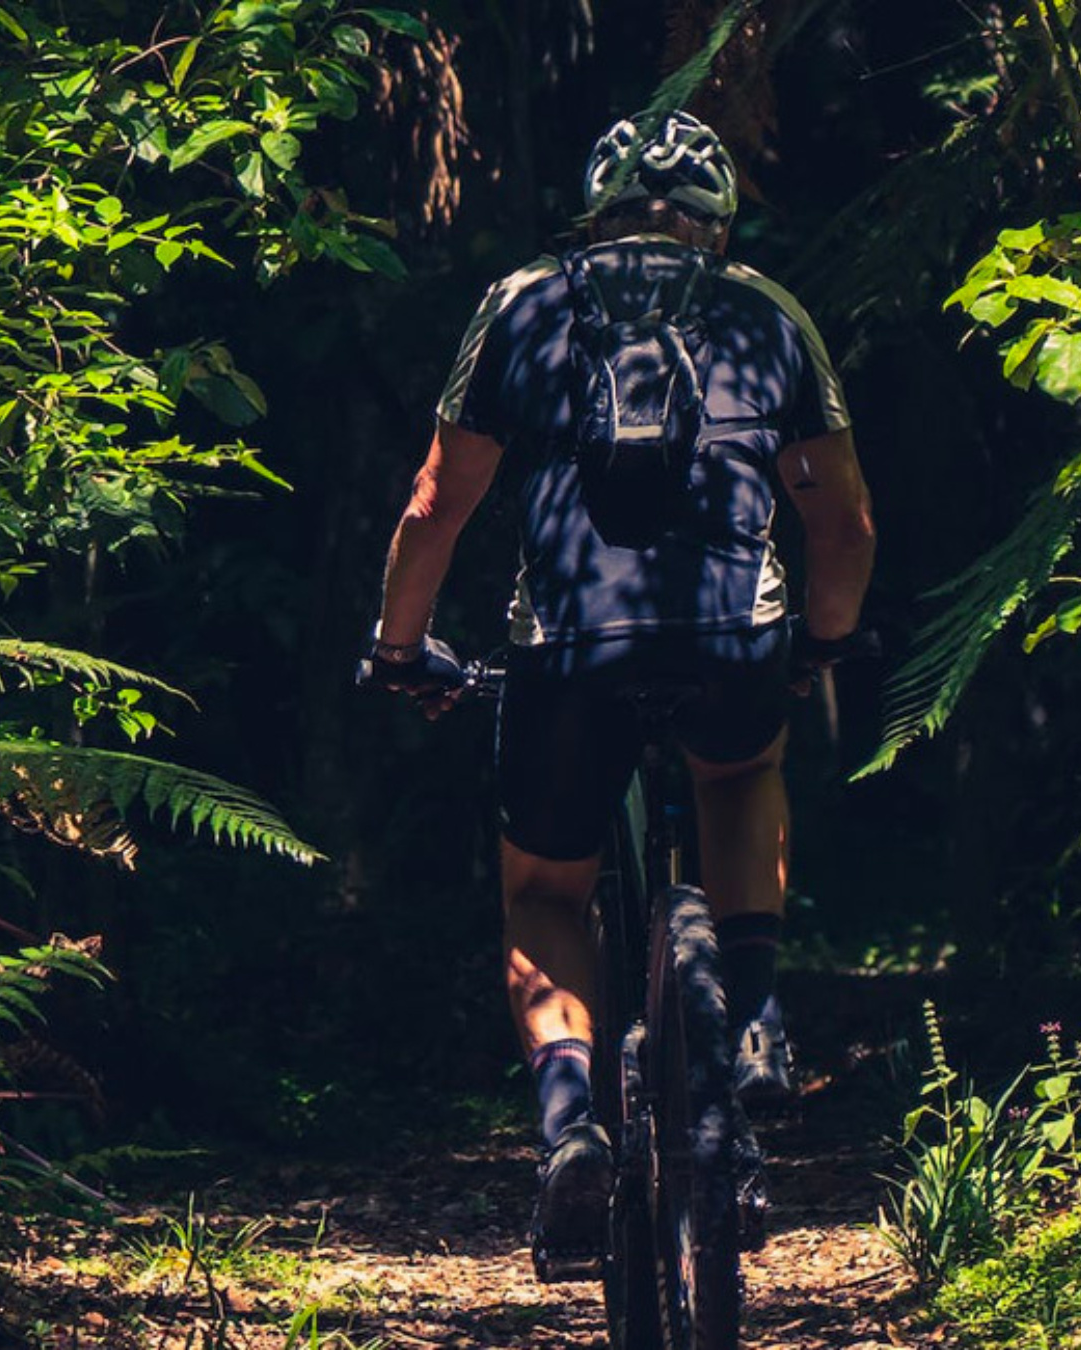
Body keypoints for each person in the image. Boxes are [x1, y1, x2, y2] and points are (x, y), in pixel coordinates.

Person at [362, 110, 875, 1270]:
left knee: (546, 893)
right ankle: (746, 1024)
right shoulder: (765, 310)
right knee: (743, 771)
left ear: (594, 211)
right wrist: (823, 643)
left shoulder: (523, 304)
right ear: (718, 218)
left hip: (566, 651)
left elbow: (438, 504)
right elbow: (842, 521)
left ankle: (570, 1135)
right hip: (731, 638)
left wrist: (401, 650)